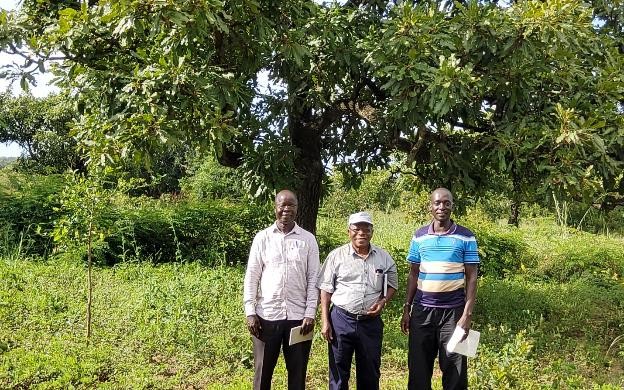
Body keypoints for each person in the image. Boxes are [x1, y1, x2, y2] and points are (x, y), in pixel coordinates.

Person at [401, 188, 480, 390]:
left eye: (446, 203)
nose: (441, 207)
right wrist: (406, 308)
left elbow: (472, 277)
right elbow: (413, 273)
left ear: (452, 206)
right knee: (418, 370)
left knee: (456, 370)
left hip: (454, 314)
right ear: (430, 206)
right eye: (437, 203)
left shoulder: (466, 236)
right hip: (421, 313)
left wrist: (467, 315)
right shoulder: (419, 237)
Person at [243, 190, 320, 390]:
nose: (286, 210)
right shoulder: (262, 238)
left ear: (297, 208)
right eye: (282, 205)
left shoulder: (308, 239)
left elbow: (314, 279)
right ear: (275, 207)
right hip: (266, 317)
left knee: (297, 374)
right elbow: (252, 276)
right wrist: (250, 312)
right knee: (262, 374)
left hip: (299, 319)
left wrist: (310, 313)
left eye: (291, 205)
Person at [317, 211, 398, 390]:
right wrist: (325, 321)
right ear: (349, 231)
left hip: (370, 324)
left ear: (372, 232)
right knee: (338, 373)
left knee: (370, 372)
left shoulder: (383, 257)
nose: (361, 233)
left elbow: (392, 284)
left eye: (366, 229)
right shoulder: (336, 256)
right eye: (357, 228)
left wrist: (383, 301)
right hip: (341, 320)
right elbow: (325, 289)